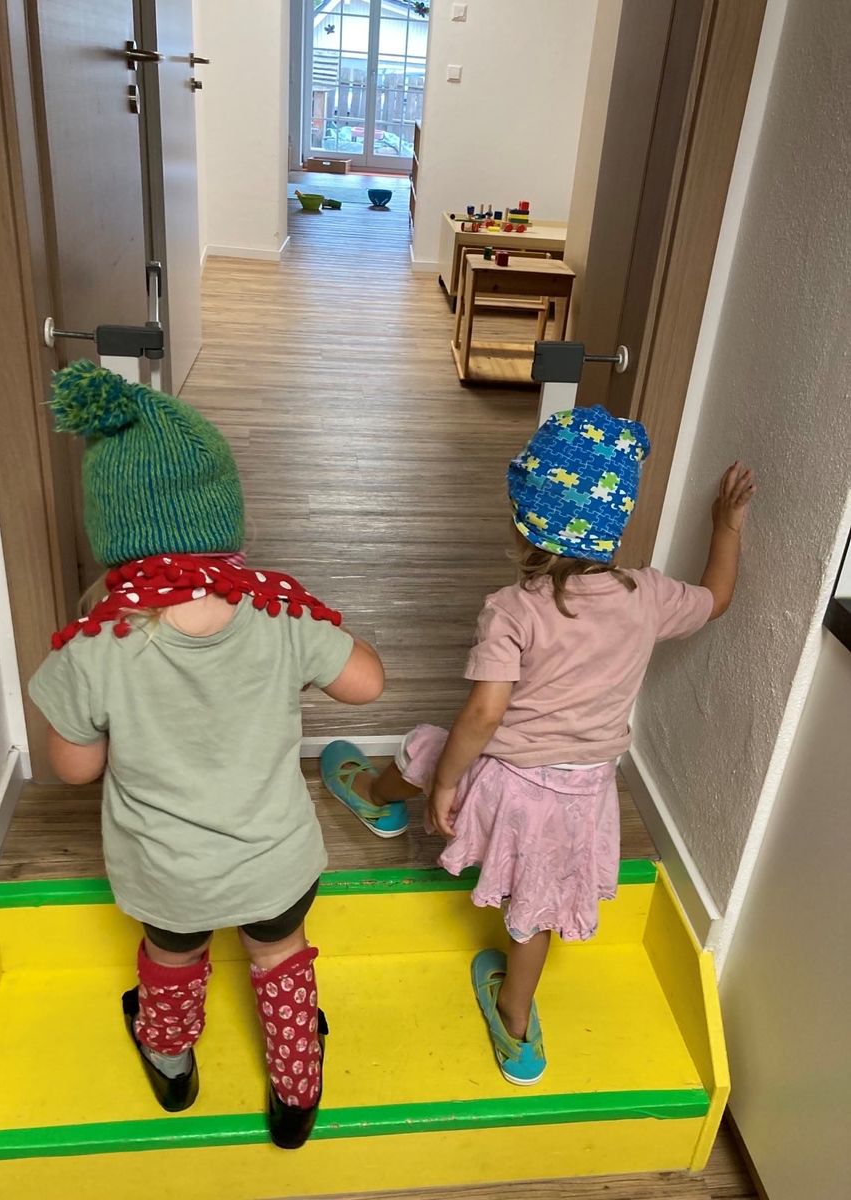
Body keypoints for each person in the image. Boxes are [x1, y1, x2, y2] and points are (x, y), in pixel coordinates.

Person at [321, 405, 754, 1085]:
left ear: (525, 520)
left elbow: (484, 713)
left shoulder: (513, 608)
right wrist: (726, 526)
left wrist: (446, 785)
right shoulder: (648, 596)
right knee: (536, 911)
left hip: (507, 783)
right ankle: (516, 1028)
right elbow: (717, 598)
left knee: (429, 750)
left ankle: (379, 799)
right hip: (584, 795)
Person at [28, 361, 384, 1149]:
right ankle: (296, 1092)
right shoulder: (279, 612)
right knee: (281, 958)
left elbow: (75, 769)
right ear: (225, 517)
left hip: (168, 875)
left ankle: (171, 1064)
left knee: (171, 957)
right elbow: (368, 682)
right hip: (275, 863)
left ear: (112, 532)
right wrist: (304, 631)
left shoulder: (95, 646)